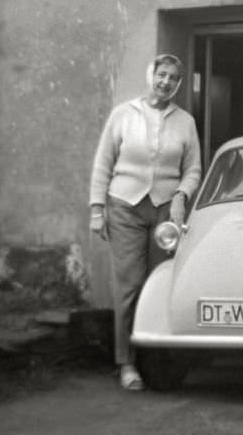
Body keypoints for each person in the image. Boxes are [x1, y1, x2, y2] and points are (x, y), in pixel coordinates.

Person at [89, 54, 201, 391]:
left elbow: (194, 168)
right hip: (125, 206)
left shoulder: (185, 121)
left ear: (179, 85)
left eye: (173, 78)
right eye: (161, 74)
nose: (166, 82)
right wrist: (97, 208)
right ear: (150, 75)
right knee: (131, 286)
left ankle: (160, 363)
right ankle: (127, 364)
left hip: (165, 211)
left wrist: (181, 196)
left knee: (161, 285)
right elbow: (103, 163)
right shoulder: (123, 114)